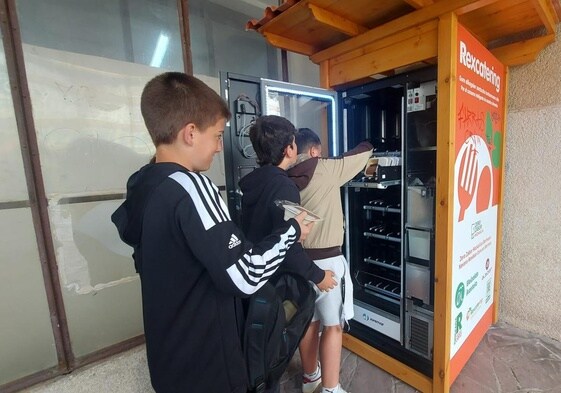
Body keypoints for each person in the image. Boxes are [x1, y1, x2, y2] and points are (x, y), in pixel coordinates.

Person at [111, 72, 314, 393]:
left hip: (169, 363)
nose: (220, 147)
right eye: (218, 135)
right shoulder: (190, 187)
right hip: (210, 366)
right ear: (190, 133)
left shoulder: (144, 185)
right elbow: (246, 274)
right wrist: (292, 230)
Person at [238, 115, 338, 392]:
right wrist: (318, 276)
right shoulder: (284, 187)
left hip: (257, 281)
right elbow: (288, 245)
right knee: (274, 352)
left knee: (261, 350)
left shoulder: (252, 183)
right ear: (290, 149)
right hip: (278, 285)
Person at [288, 128, 373, 393]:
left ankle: (310, 377)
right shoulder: (324, 168)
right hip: (328, 264)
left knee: (309, 322)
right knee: (333, 326)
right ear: (314, 151)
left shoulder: (284, 177)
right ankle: (331, 388)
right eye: (319, 152)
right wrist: (371, 142)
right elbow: (362, 153)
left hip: (299, 263)